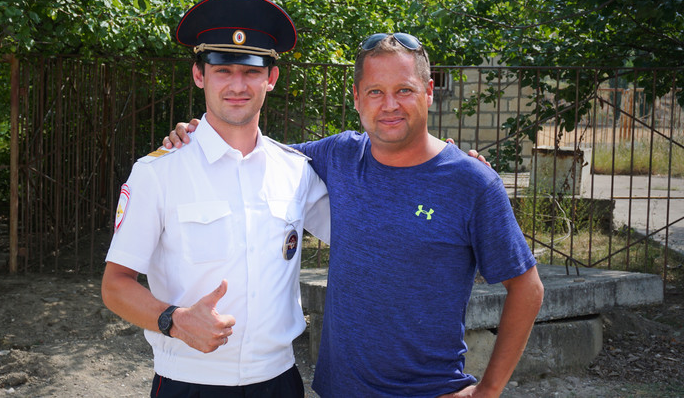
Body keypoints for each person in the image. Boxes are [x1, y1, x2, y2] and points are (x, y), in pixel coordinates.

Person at [165, 33, 544, 397]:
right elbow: (253, 154)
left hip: (428, 391)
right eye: (376, 92)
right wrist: (197, 134)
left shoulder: (472, 183)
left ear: (428, 93)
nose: (390, 105)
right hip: (339, 390)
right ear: (357, 98)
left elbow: (527, 288)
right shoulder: (340, 155)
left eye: (405, 90)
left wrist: (489, 390)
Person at [100, 0, 330, 397]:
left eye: (250, 71)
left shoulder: (296, 171)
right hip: (189, 384)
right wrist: (175, 319)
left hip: (279, 383)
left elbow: (364, 228)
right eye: (223, 70)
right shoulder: (159, 172)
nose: (237, 85)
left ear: (271, 78)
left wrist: (443, 171)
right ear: (199, 75)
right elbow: (115, 285)